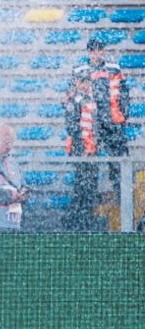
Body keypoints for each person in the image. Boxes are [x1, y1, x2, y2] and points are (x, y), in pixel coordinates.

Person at [74, 37, 129, 197]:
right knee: (87, 170)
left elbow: (124, 93)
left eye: (100, 50)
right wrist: (86, 113)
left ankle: (123, 200)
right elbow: (73, 94)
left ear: (104, 51)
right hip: (90, 125)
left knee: (119, 165)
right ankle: (86, 207)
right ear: (89, 52)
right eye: (93, 50)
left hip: (112, 124)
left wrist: (122, 116)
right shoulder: (80, 70)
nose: (97, 54)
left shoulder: (114, 68)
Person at [62, 72, 102, 230]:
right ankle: (76, 220)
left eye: (87, 82)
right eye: (82, 81)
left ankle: (85, 219)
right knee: (82, 185)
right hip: (82, 149)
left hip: (91, 149)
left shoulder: (90, 99)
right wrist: (81, 149)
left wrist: (94, 145)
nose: (85, 85)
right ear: (76, 82)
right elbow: (72, 127)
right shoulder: (74, 100)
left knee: (90, 185)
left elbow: (95, 125)